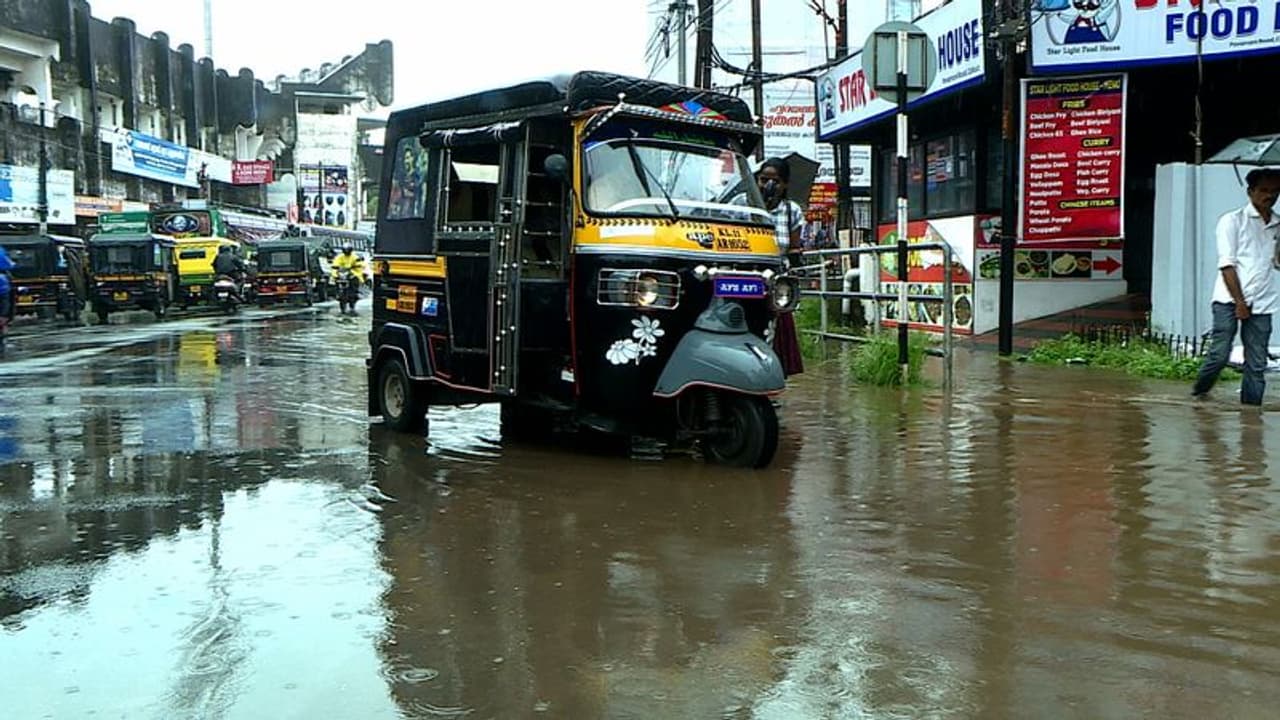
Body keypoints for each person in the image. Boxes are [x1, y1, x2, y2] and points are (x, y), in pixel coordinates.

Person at [1191, 167, 1280, 406]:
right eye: (1263, 190)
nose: (1269, 196)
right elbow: (1227, 265)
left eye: (1274, 191)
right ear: (1250, 192)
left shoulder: (1278, 225)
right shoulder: (1232, 221)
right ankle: (1199, 393)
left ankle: (1251, 415)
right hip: (1228, 299)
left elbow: (1277, 263)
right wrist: (1240, 302)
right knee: (1220, 355)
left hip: (1263, 301)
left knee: (1257, 361)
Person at [757, 157, 805, 377]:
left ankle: (773, 378)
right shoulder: (742, 203)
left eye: (775, 181)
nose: (768, 185)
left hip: (777, 282)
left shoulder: (791, 211)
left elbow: (794, 248)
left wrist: (797, 267)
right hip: (748, 275)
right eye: (763, 179)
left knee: (776, 332)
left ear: (784, 184)